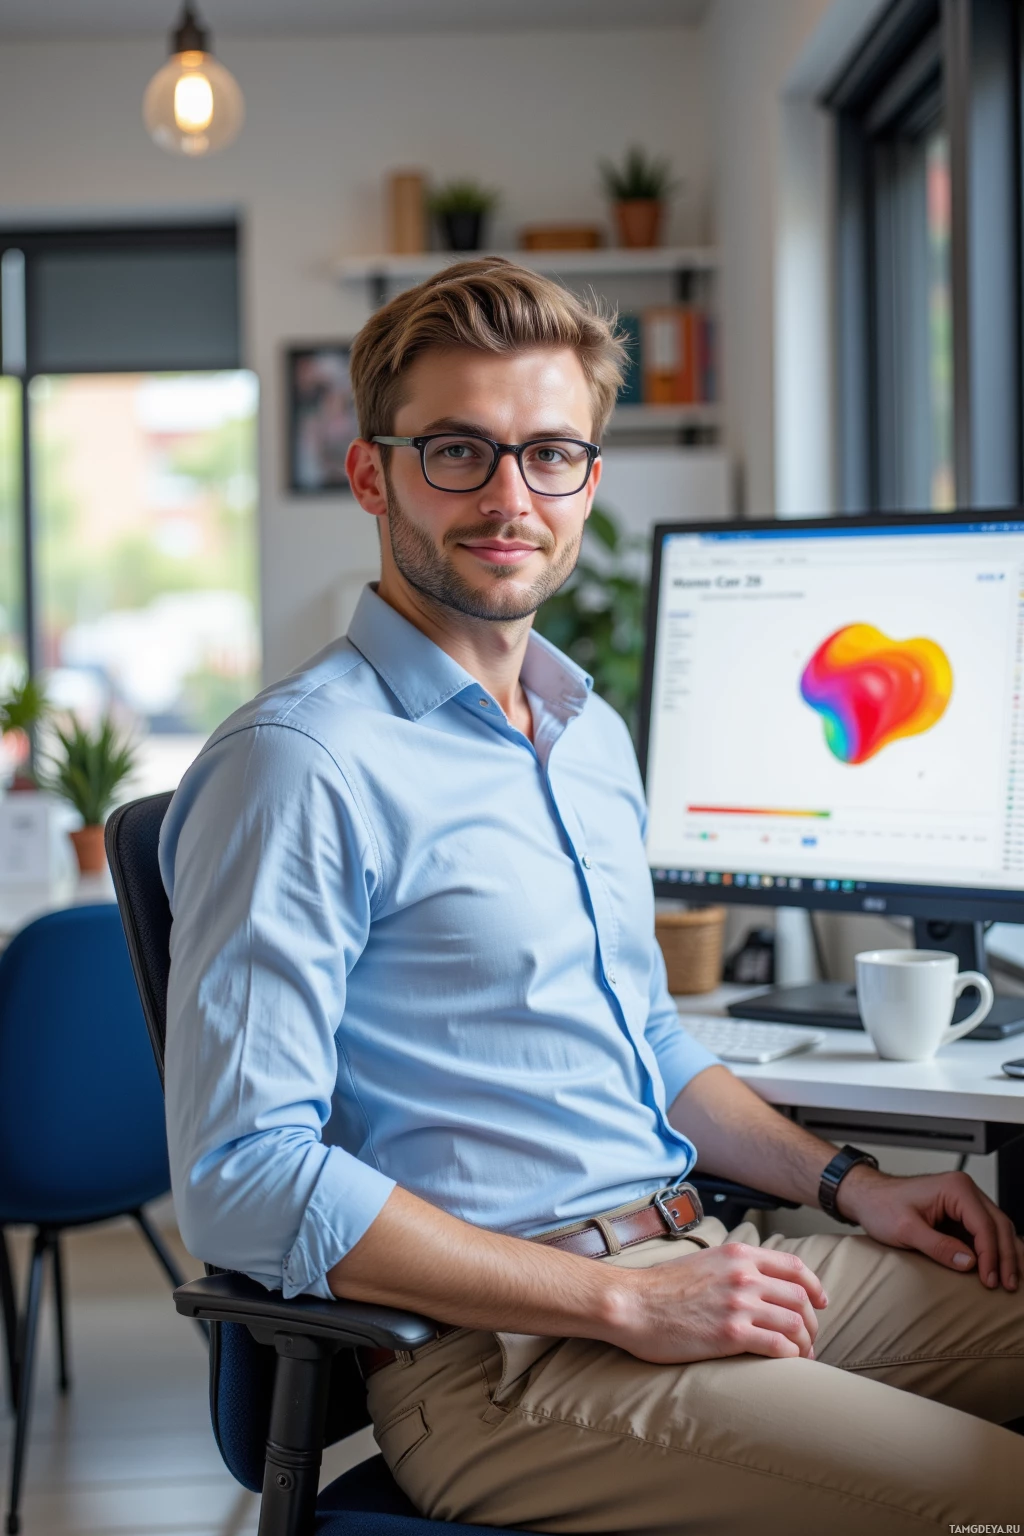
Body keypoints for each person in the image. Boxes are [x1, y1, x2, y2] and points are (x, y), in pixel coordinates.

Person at [161, 258, 1024, 1535]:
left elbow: (655, 1046)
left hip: (711, 1264)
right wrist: (626, 1304)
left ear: (587, 483)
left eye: (549, 454)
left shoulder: (581, 731)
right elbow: (243, 1174)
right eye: (458, 451)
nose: (509, 496)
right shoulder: (301, 765)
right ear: (372, 476)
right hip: (507, 1362)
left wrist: (849, 1183)